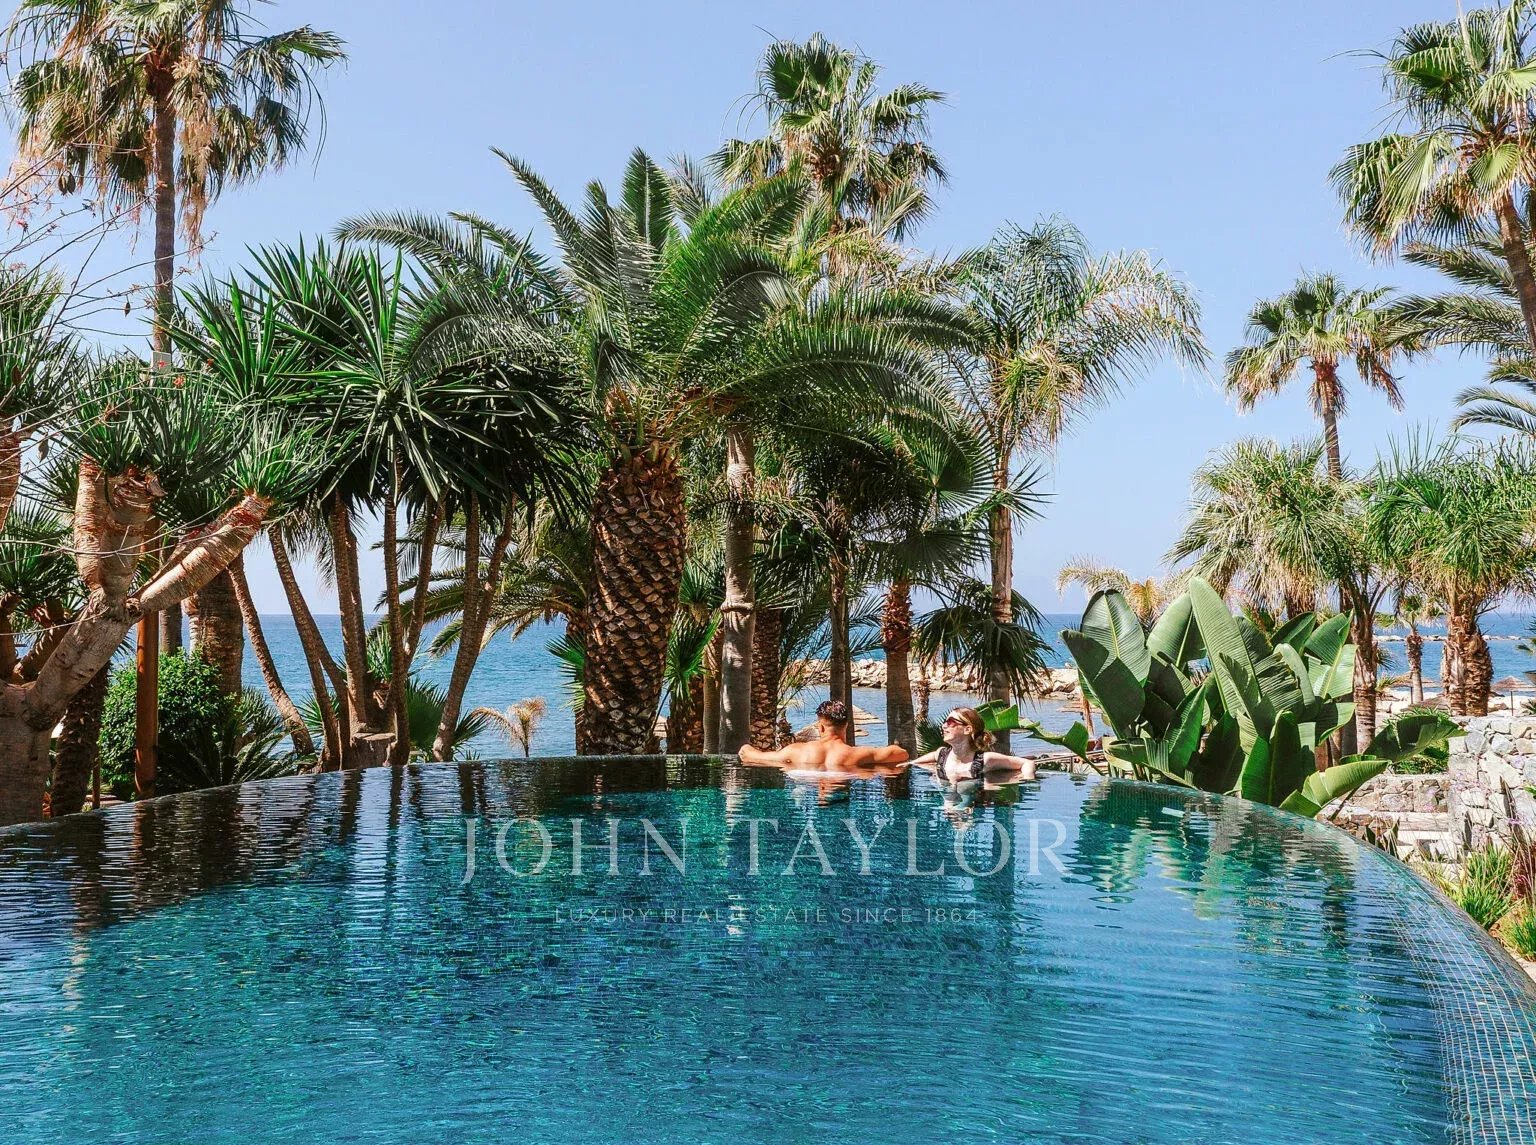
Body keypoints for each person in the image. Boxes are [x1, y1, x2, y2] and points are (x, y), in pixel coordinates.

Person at [738, 700, 910, 771]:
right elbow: (901, 754)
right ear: (846, 725)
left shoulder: (795, 751)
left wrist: (745, 746)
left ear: (820, 727)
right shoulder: (859, 754)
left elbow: (750, 756)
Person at [911, 706, 1038, 783]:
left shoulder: (984, 760)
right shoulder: (941, 754)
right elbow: (911, 764)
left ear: (967, 729)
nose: (944, 726)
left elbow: (1027, 763)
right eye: (945, 722)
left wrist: (1026, 779)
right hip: (948, 811)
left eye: (951, 722)